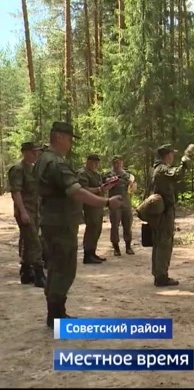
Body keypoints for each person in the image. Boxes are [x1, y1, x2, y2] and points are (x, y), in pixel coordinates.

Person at [35, 122, 123, 328]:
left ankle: (56, 312)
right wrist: (106, 202)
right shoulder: (55, 162)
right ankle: (56, 315)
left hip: (53, 220)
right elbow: (76, 191)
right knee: (64, 267)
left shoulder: (43, 159)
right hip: (60, 223)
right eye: (69, 138)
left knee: (57, 265)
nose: (70, 143)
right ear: (58, 137)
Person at [149, 144, 193, 286]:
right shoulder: (162, 169)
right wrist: (185, 159)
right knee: (164, 242)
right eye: (172, 154)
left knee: (160, 242)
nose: (173, 157)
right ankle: (161, 276)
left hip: (160, 211)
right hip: (164, 212)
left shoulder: (157, 168)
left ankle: (158, 273)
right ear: (167, 155)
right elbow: (177, 174)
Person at [9, 141, 45, 287]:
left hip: (35, 211)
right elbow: (16, 192)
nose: (36, 154)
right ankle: (39, 275)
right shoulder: (18, 169)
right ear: (25, 152)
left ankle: (25, 272)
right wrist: (23, 212)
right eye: (33, 152)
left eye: (36, 152)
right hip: (25, 211)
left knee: (29, 241)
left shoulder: (33, 169)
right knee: (35, 243)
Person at [77, 154, 108, 264]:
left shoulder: (97, 174)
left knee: (97, 229)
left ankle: (92, 252)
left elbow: (102, 184)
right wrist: (98, 189)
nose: (96, 165)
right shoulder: (83, 173)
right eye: (94, 162)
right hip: (90, 204)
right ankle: (87, 254)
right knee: (92, 228)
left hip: (98, 204)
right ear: (88, 162)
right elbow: (83, 189)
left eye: (97, 163)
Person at [106, 155, 136, 257]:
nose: (117, 164)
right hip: (114, 203)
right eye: (115, 162)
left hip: (126, 202)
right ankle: (116, 247)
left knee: (127, 224)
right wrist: (111, 181)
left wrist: (131, 184)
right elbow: (105, 186)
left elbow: (133, 188)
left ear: (122, 163)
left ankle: (128, 246)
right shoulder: (108, 175)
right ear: (113, 164)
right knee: (114, 225)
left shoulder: (128, 175)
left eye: (119, 162)